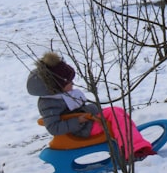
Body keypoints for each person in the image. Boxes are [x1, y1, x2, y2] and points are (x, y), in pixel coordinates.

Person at [26, 52, 155, 160]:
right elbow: (54, 128)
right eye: (69, 82)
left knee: (117, 111)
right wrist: (78, 120)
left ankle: (133, 144)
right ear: (56, 86)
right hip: (81, 130)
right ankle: (134, 151)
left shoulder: (64, 95)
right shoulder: (49, 103)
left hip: (88, 122)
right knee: (116, 116)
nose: (73, 84)